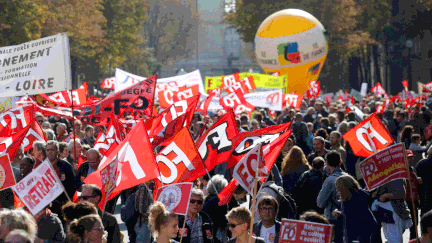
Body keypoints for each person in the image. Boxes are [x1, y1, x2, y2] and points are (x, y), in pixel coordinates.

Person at [335, 175, 378, 243]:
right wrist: (339, 214)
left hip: (358, 237)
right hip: (353, 236)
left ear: (344, 188)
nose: (337, 190)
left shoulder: (357, 198)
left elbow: (360, 218)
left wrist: (359, 239)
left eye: (338, 188)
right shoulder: (347, 198)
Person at [316, 151, 347, 243]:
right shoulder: (348, 177)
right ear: (340, 163)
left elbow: (320, 203)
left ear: (327, 163)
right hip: (346, 217)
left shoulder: (330, 181)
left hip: (332, 218)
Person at [372, 178, 412, 243]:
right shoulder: (385, 173)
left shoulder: (395, 175)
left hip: (393, 213)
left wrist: (384, 196)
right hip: (386, 213)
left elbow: (400, 193)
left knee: (395, 240)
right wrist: (377, 193)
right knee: (391, 239)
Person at [45, 140, 76, 217]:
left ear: (57, 151)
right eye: (48, 150)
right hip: (47, 204)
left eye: (52, 150)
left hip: (62, 204)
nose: (50, 152)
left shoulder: (66, 166)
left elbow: (72, 185)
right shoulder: (42, 166)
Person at [406, 150, 423, 240]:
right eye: (408, 158)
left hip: (414, 200)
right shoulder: (402, 170)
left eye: (411, 158)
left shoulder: (412, 168)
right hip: (406, 201)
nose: (410, 159)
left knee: (414, 225)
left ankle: (412, 241)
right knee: (404, 226)